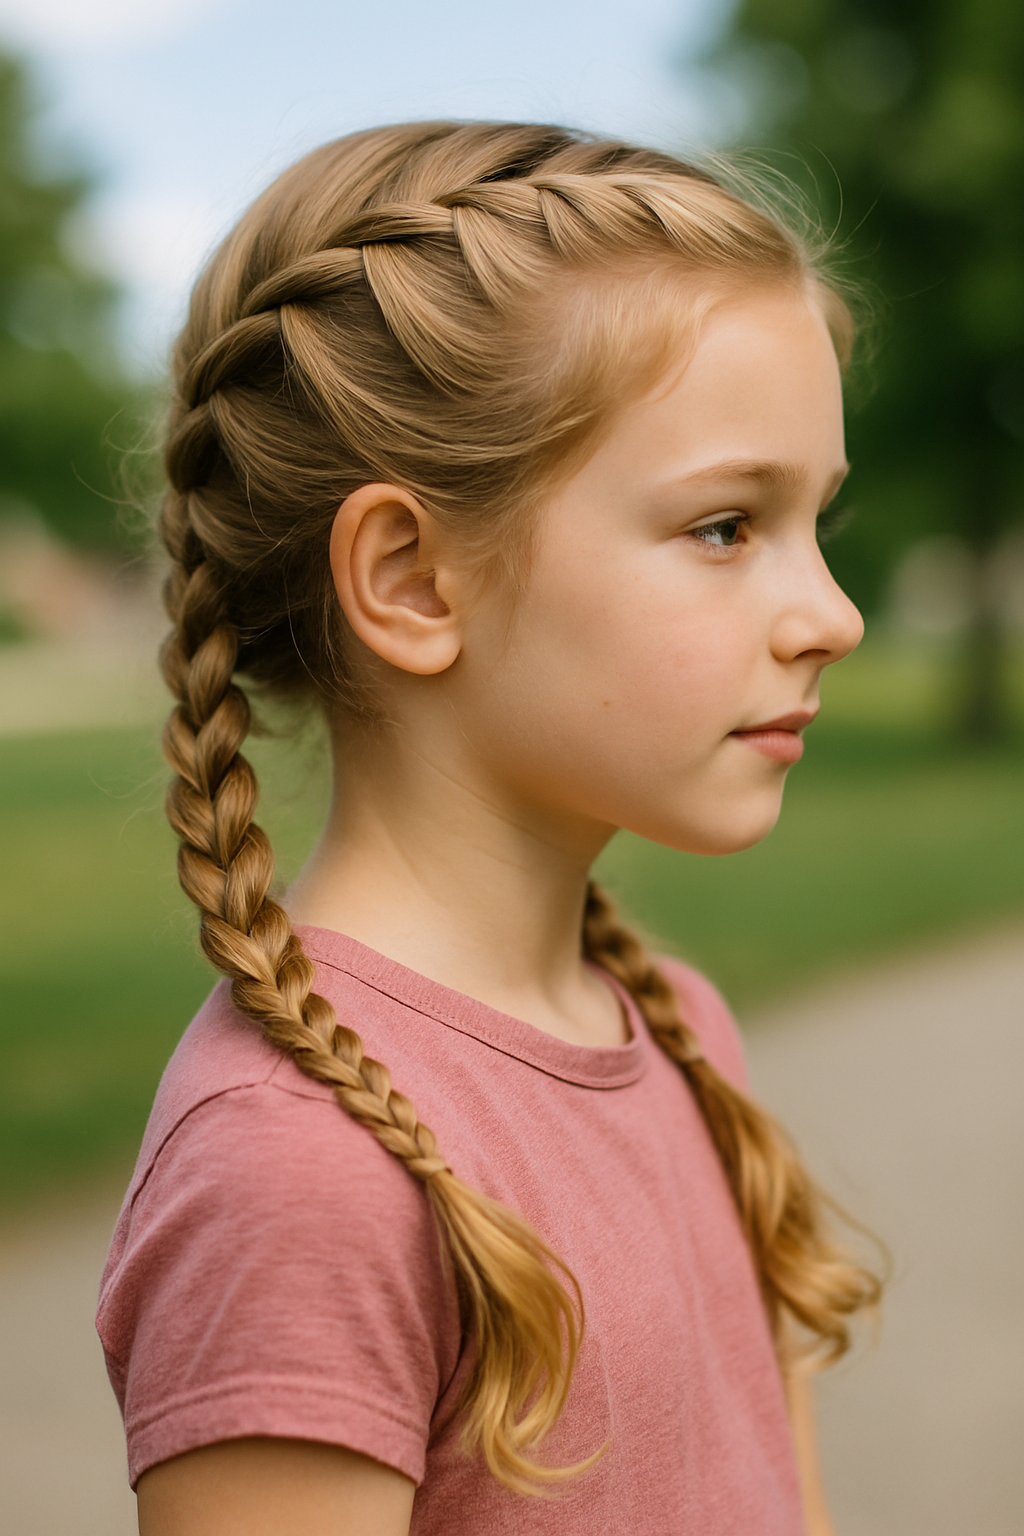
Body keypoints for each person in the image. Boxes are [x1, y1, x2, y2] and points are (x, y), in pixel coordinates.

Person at [97, 121, 881, 1536]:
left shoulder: (680, 1029)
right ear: (410, 579)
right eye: (724, 527)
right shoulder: (298, 1170)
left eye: (815, 520)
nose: (833, 615)